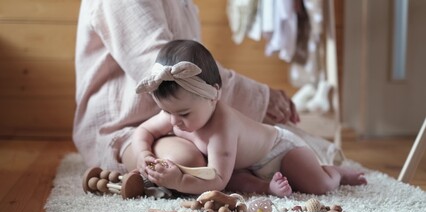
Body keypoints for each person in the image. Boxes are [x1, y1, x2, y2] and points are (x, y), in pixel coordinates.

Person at [73, 0, 299, 174]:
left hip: (182, 116)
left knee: (289, 146)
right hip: (123, 123)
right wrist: (260, 97)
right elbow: (159, 66)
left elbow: (193, 63)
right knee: (187, 162)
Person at [133, 39, 367, 197]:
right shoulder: (177, 113)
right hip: (243, 165)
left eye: (183, 114)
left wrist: (179, 182)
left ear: (213, 96)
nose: (173, 123)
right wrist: (144, 154)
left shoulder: (222, 128)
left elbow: (217, 181)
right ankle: (269, 187)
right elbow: (143, 132)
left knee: (317, 186)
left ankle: (334, 173)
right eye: (168, 112)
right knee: (240, 184)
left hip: (279, 152)